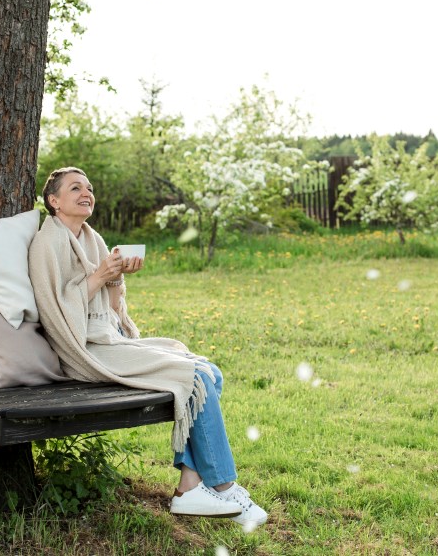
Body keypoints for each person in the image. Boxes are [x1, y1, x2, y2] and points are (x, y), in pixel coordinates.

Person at [28, 167, 267, 525]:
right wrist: (99, 277)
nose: (86, 193)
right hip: (82, 352)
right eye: (75, 187)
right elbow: (55, 313)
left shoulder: (93, 240)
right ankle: (223, 486)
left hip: (107, 338)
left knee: (208, 370)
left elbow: (109, 314)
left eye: (90, 187)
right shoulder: (48, 243)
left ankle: (189, 482)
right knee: (196, 376)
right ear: (54, 201)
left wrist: (116, 279)